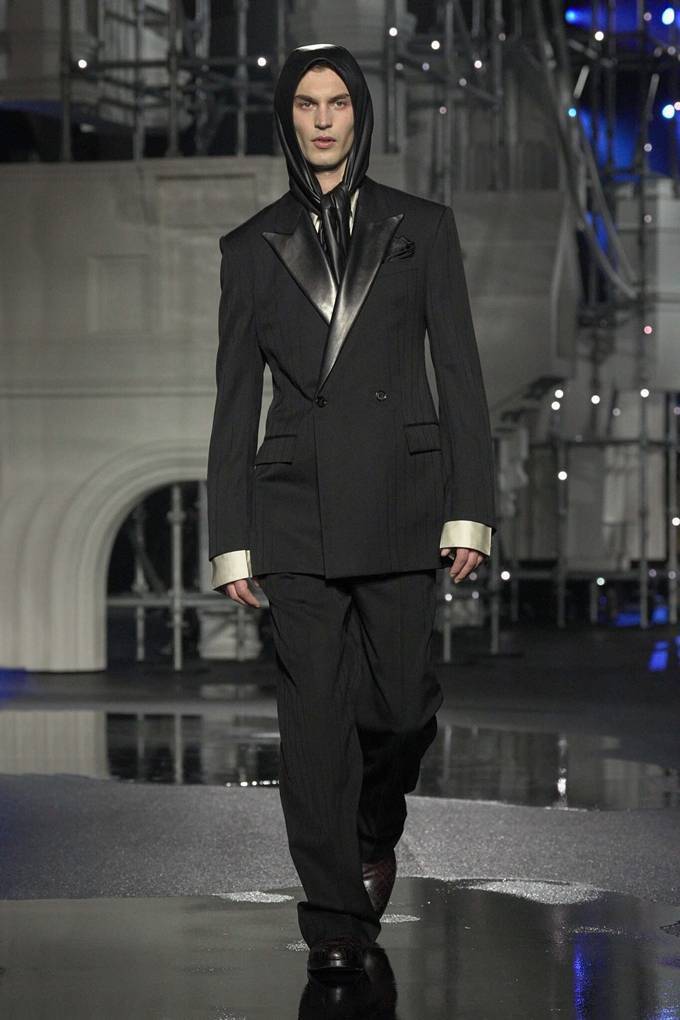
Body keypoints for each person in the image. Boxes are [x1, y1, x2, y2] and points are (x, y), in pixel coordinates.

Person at [206, 42, 497, 977]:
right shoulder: (251, 247)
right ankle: (334, 918)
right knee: (313, 726)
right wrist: (230, 537)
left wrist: (470, 508)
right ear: (286, 118)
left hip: (403, 502)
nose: (323, 119)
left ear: (360, 115)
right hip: (293, 510)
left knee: (401, 710)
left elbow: (459, 372)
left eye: (337, 102)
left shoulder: (424, 227)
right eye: (306, 103)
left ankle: (375, 827)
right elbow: (232, 402)